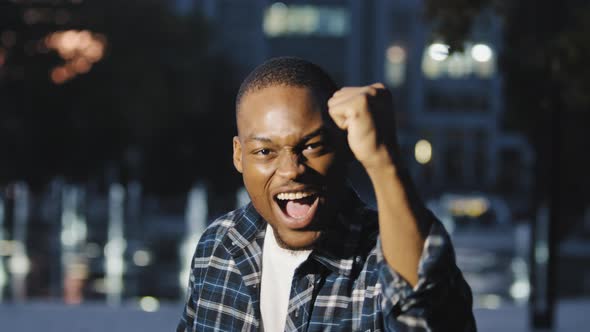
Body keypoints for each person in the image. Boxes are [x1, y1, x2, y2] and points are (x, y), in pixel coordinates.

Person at [177, 57, 476, 331]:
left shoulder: (382, 258)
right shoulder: (217, 247)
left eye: (312, 146)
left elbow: (429, 312)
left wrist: (384, 159)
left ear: (345, 145)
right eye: (265, 151)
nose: (291, 170)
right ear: (239, 155)